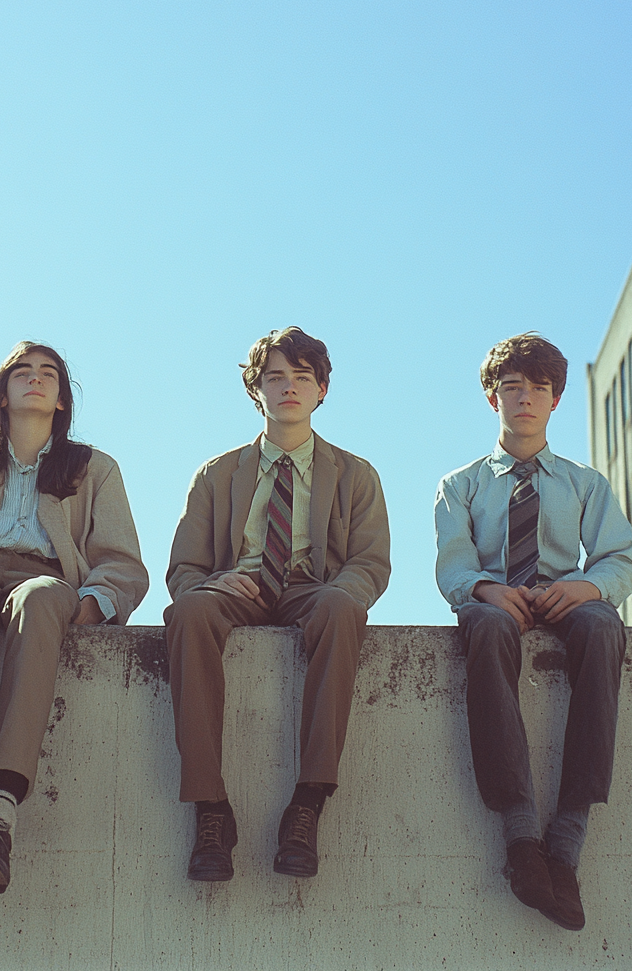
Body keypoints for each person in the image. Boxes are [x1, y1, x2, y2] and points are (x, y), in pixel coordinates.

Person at [0, 341, 148, 894]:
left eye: (48, 374)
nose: (35, 380)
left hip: (48, 579)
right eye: (22, 371)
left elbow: (122, 561)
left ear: (62, 399)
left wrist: (92, 603)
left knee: (39, 597)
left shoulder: (93, 469)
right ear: (3, 392)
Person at [165, 326, 390, 882]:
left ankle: (308, 802)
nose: (289, 387)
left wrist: (340, 592)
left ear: (322, 391)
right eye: (275, 378)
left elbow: (371, 565)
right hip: (235, 588)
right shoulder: (217, 474)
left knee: (342, 609)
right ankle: (210, 808)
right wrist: (214, 583)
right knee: (188, 613)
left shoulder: (356, 475)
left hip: (312, 591)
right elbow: (182, 570)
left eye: (302, 377)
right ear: (256, 391)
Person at [434, 332, 632, 931]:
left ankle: (567, 839)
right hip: (495, 600)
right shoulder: (461, 484)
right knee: (489, 627)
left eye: (538, 389)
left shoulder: (584, 483)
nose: (525, 398)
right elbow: (453, 565)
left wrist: (584, 587)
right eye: (512, 387)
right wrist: (485, 588)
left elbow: (619, 560)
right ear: (492, 397)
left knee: (603, 626)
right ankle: (522, 836)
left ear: (555, 400)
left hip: (563, 596)